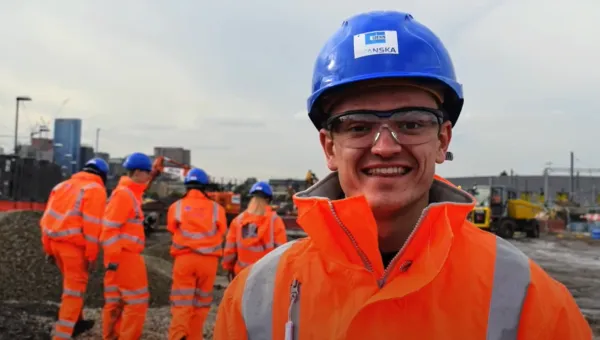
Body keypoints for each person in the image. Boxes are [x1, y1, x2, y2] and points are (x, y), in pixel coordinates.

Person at [214, 10, 592, 340]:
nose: (385, 146)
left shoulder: (531, 300)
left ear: (443, 140)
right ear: (329, 147)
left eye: (411, 123)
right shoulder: (254, 299)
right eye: (358, 126)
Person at [40, 158, 109, 340]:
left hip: (55, 244)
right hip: (74, 249)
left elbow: (47, 219)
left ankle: (78, 322)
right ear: (103, 176)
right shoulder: (96, 190)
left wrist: (47, 248)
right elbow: (92, 228)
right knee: (73, 292)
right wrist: (92, 256)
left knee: (72, 287)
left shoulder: (61, 186)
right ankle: (63, 335)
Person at [166, 168, 228, 340]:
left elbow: (171, 228)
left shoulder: (176, 207)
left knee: (181, 303)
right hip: (208, 262)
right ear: (205, 187)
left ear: (186, 185)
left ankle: (178, 336)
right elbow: (223, 230)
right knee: (201, 305)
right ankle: (194, 336)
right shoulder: (217, 209)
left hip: (184, 259)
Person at [100, 152, 153, 340]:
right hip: (125, 256)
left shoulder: (129, 194)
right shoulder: (124, 195)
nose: (149, 177)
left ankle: (112, 336)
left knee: (115, 302)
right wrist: (115, 259)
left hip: (120, 256)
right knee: (137, 302)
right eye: (148, 172)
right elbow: (109, 229)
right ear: (138, 172)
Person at [221, 181, 287, 282]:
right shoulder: (275, 220)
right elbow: (282, 252)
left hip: (242, 276)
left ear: (251, 197)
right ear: (268, 199)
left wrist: (228, 267)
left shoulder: (238, 221)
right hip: (266, 277)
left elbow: (230, 251)